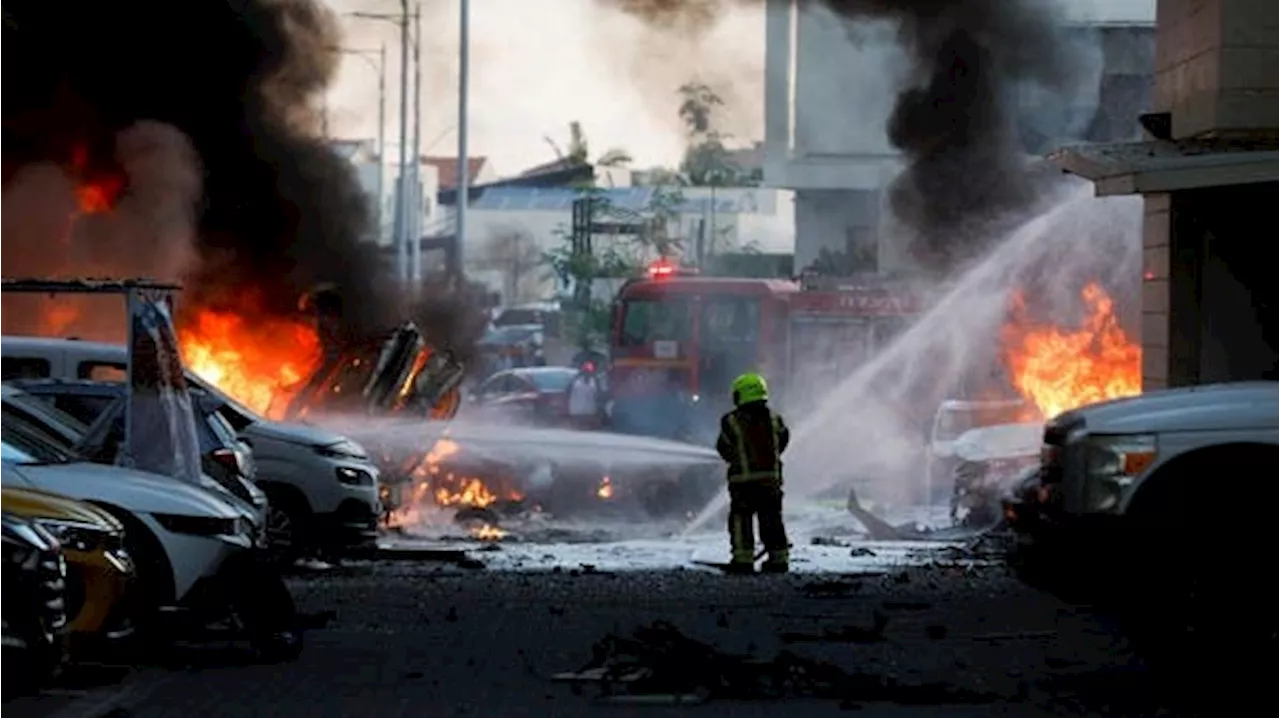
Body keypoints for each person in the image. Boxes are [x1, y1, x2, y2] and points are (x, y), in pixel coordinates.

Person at [715, 372, 791, 574]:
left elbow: (723, 448)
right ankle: (779, 560)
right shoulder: (775, 419)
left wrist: (739, 459)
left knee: (741, 519)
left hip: (744, 482)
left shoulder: (731, 421)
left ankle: (743, 560)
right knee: (772, 519)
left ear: (741, 395)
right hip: (771, 480)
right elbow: (783, 441)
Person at [566, 360, 603, 430]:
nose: (587, 373)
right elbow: (567, 391)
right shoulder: (576, 381)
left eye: (589, 372)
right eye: (586, 371)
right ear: (583, 372)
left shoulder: (594, 381)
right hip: (576, 411)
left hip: (590, 411)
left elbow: (598, 395)